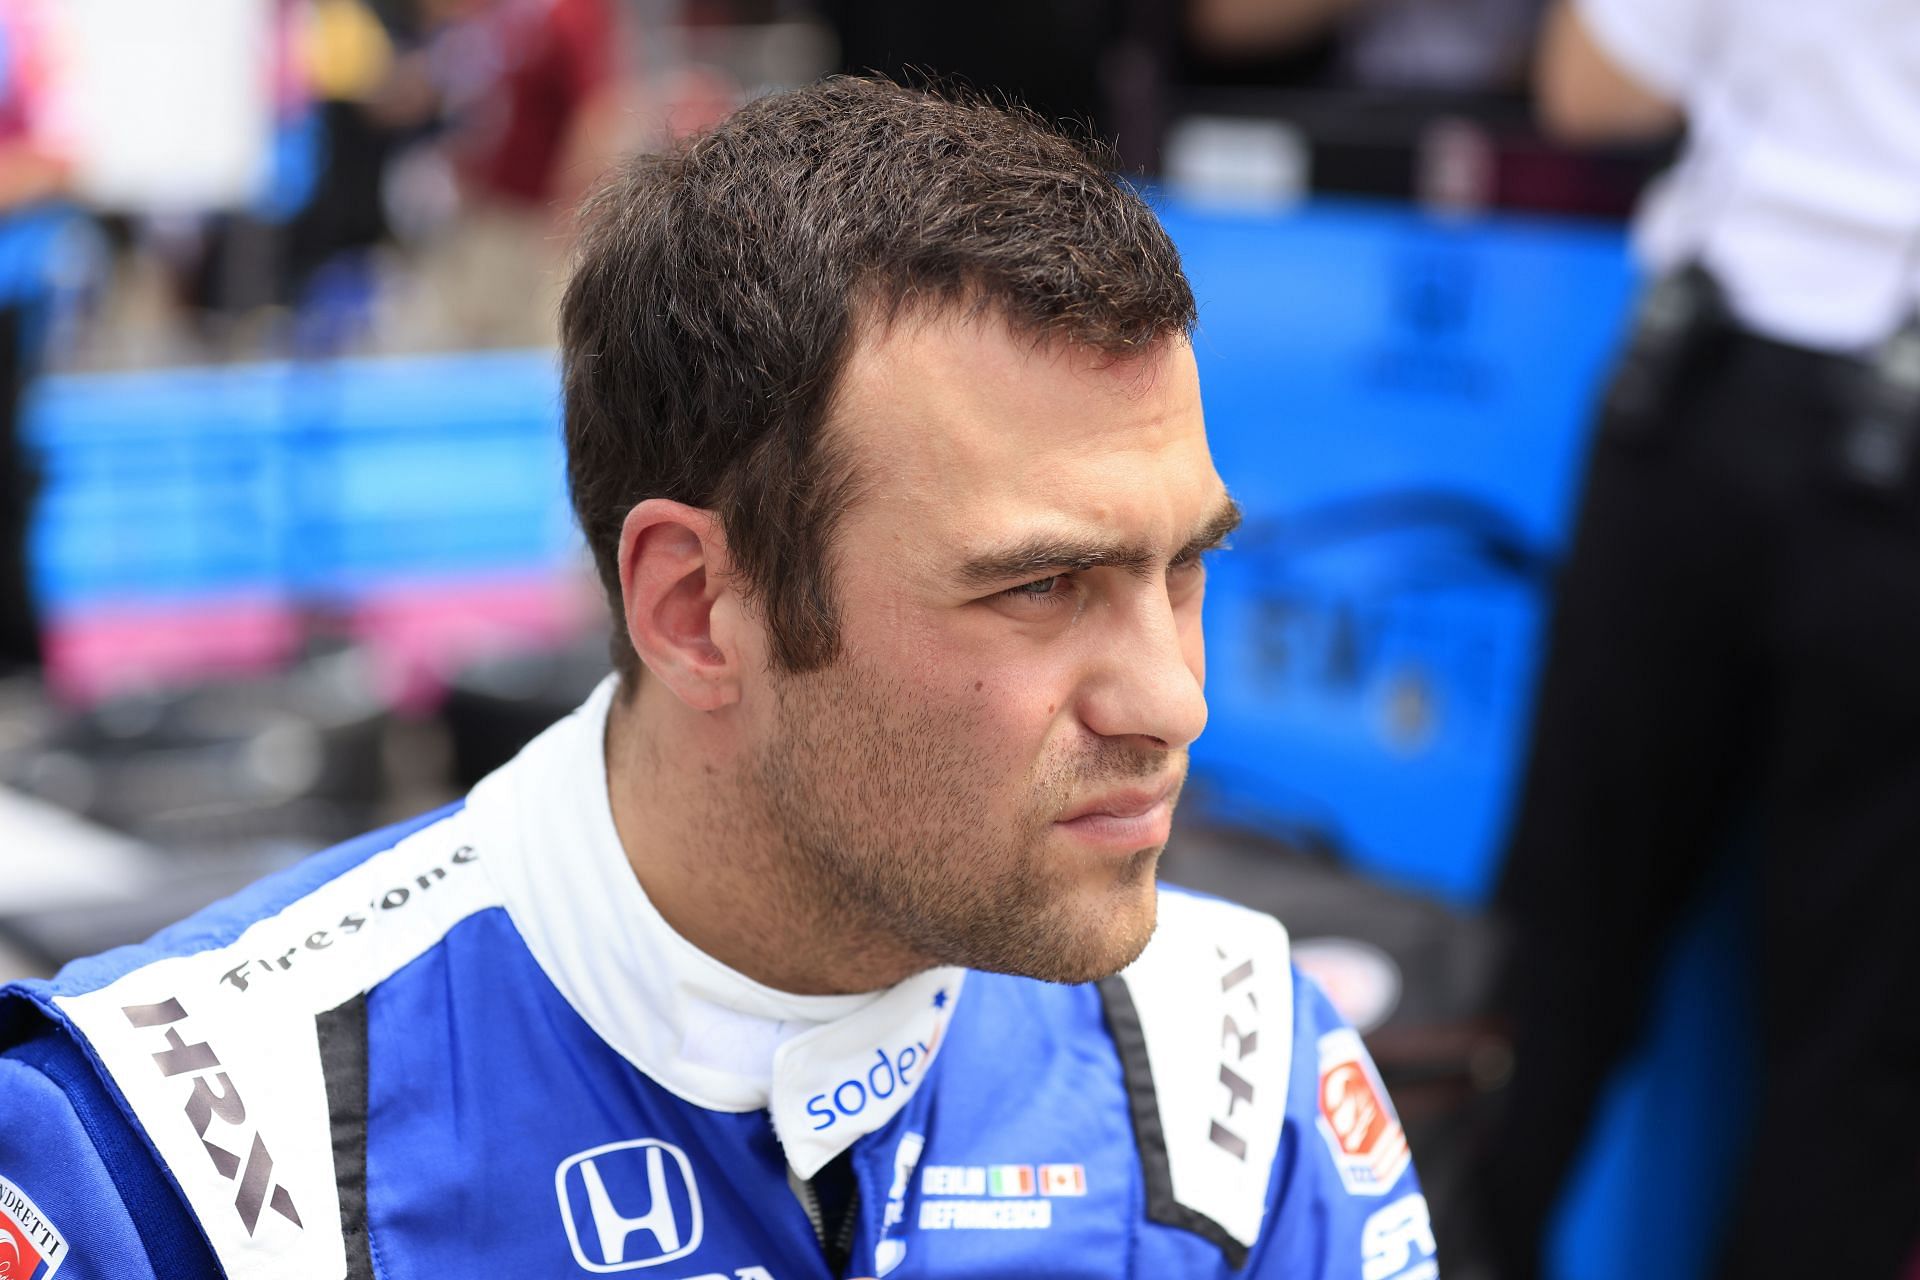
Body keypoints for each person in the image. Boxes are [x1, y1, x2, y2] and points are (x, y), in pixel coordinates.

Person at [0, 79, 1435, 1279]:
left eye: (1182, 567)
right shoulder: (179, 1155)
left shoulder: (1235, 1069)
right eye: (1041, 587)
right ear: (697, 610)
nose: (1171, 698)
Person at [1478, 2, 1920, 1277]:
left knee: (1549, 960)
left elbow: (1592, 86)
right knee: (1857, 1043)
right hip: (1824, 435)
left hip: (1704, 395)